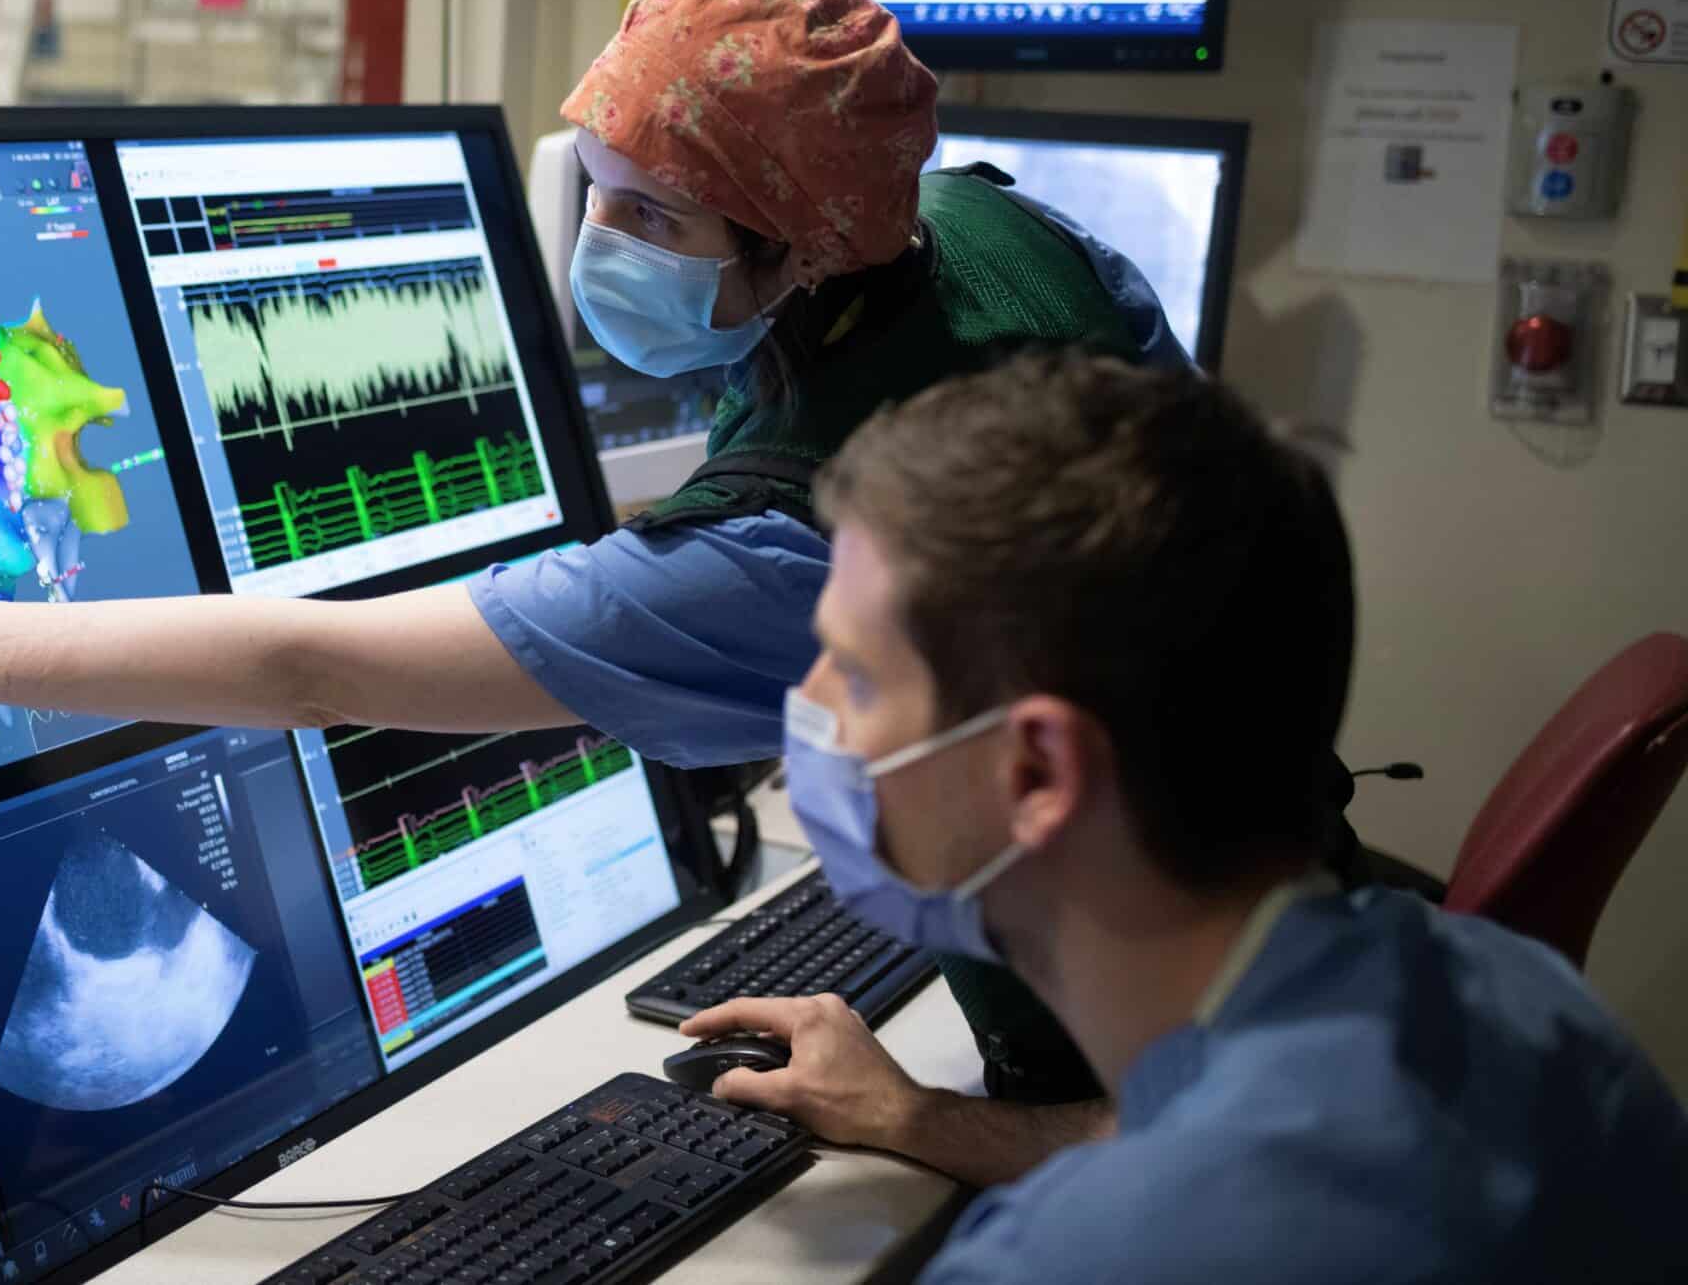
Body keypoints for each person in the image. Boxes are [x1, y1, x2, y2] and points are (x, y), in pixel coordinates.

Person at [0, 0, 1234, 1185]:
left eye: (662, 219)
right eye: (600, 188)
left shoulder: (785, 548)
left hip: (1139, 1043)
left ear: (805, 245)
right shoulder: (980, 229)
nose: (603, 242)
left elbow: (307, 662)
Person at [676, 350, 1688, 1283]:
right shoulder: (1516, 994)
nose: (808, 707)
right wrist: (913, 1116)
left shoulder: (1065, 1263)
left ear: (1037, 772)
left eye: (854, 673)